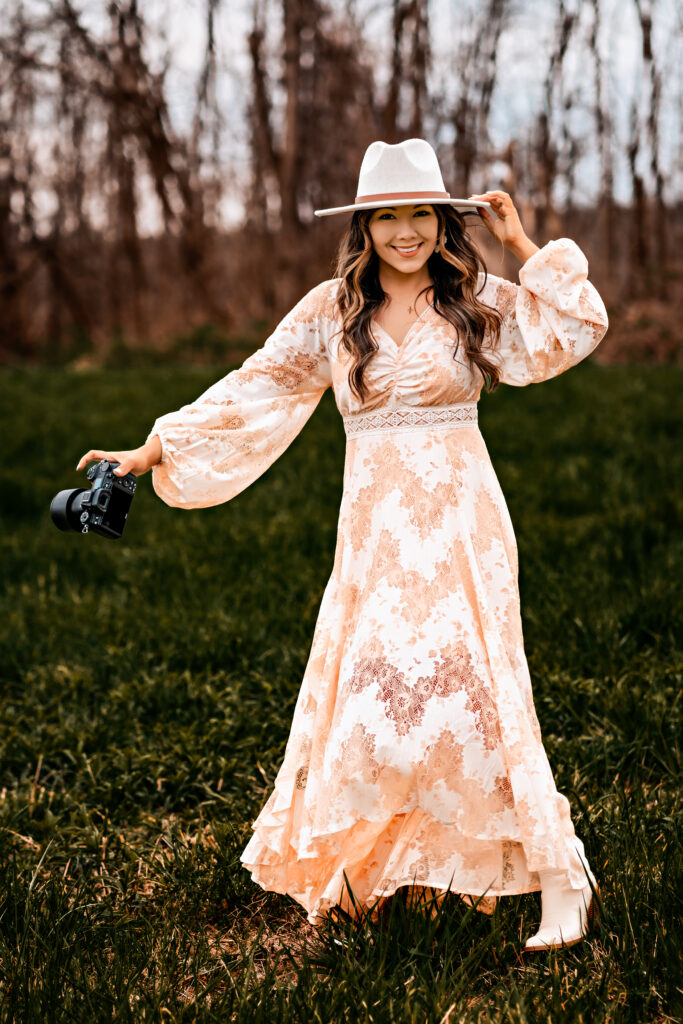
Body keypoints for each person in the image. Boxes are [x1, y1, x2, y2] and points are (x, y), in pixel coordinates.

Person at [76, 138, 607, 952]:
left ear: (441, 221)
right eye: (388, 216)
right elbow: (257, 385)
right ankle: (380, 864)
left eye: (420, 214)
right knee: (377, 694)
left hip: (461, 520)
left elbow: (570, 327)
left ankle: (559, 874)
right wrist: (150, 451)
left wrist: (520, 243)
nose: (406, 232)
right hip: (374, 530)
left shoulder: (472, 296)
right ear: (364, 225)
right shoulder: (333, 309)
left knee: (477, 687)